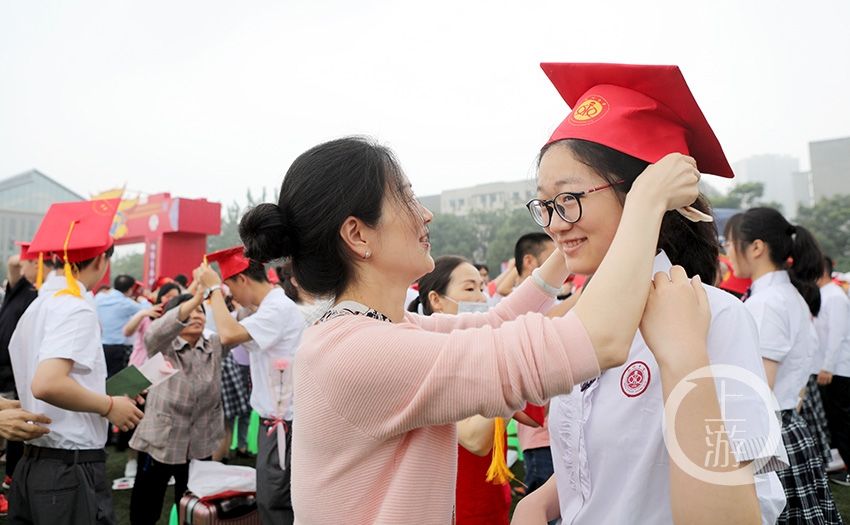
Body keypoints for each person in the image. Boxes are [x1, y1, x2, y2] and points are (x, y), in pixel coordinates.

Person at [237, 134, 702, 524]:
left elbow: (496, 323)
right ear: (358, 235)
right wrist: (644, 201)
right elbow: (597, 339)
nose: (425, 214)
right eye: (406, 197)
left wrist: (571, 232)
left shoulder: (376, 330)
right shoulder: (358, 353)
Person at [512, 63, 785, 525]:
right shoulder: (579, 324)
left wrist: (686, 359)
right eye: (546, 204)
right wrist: (541, 500)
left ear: (645, 197)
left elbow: (743, 512)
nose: (556, 223)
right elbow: (609, 459)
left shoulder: (713, 318)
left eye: (569, 198)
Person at [8, 198, 143, 525]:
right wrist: (109, 404)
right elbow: (48, 383)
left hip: (36, 464)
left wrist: (108, 396)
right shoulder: (75, 306)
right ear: (101, 260)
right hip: (68, 469)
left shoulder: (39, 305)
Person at [725, 206, 841, 523]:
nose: (727, 252)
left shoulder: (767, 303)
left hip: (775, 431)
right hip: (788, 425)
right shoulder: (784, 295)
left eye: (730, 243)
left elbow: (760, 387)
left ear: (757, 247)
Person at [196, 246, 304, 525]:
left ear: (241, 280)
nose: (230, 294)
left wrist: (212, 291)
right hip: (278, 422)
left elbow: (229, 334)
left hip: (284, 425)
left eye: (229, 287)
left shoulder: (277, 309)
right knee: (273, 497)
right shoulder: (270, 308)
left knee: (275, 501)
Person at [409, 255, 511, 525]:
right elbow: (474, 438)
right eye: (469, 289)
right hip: (455, 508)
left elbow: (532, 412)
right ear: (436, 300)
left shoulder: (479, 353)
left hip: (491, 501)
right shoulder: (426, 360)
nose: (480, 297)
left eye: (481, 287)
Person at [128, 288, 228, 525]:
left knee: (192, 505)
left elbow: (236, 329)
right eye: (189, 311)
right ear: (175, 318)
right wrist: (194, 298)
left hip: (200, 440)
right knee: (146, 505)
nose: (196, 315)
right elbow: (154, 332)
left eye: (201, 311)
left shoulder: (213, 343)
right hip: (161, 439)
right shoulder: (163, 345)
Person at [0, 243, 56, 510]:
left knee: (17, 427)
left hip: (18, 375)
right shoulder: (21, 289)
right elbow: (14, 263)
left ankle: (13, 476)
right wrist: (32, 251)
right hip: (5, 373)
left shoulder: (47, 297)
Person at [506, 233, 558, 496]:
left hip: (560, 436)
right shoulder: (520, 309)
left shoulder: (552, 302)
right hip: (542, 440)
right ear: (529, 261)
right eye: (554, 255)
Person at [96, 274, 151, 378]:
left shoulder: (99, 298)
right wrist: (142, 299)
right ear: (130, 289)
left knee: (103, 378)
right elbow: (147, 310)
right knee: (116, 380)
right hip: (119, 348)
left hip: (102, 345)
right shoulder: (126, 303)